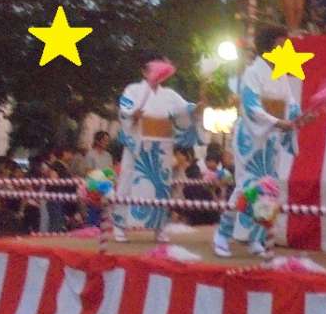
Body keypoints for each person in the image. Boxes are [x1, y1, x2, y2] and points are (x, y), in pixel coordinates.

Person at [213, 26, 300, 258]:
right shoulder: (253, 72)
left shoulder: (280, 74)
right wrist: (278, 121)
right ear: (269, 47)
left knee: (268, 189)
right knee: (246, 187)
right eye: (281, 44)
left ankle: (256, 237)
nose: (286, 48)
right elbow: (251, 106)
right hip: (251, 138)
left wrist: (297, 117)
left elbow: (290, 104)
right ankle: (222, 234)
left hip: (270, 138)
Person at [114, 55, 201, 243]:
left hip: (161, 146)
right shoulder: (133, 90)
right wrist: (133, 115)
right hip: (139, 143)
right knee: (128, 182)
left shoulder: (169, 95)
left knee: (161, 186)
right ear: (143, 71)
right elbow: (125, 110)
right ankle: (120, 226)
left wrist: (195, 108)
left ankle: (159, 227)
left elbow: (183, 110)